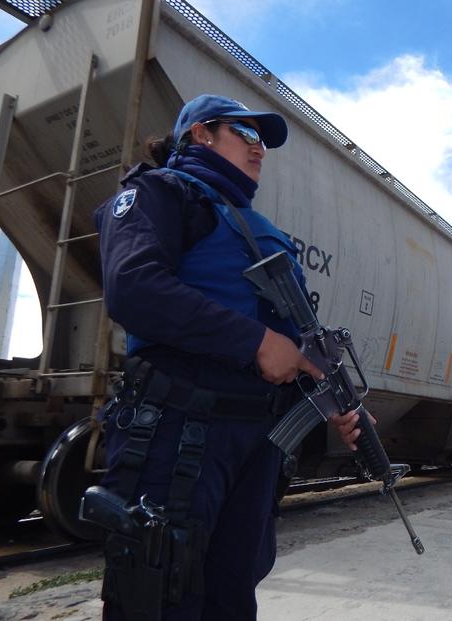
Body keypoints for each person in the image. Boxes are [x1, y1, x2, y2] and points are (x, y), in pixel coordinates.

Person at [93, 94, 365, 620]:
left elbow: (295, 346)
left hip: (253, 446)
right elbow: (133, 289)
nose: (260, 149)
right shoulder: (160, 193)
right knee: (161, 589)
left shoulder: (257, 229)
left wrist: (336, 402)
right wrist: (257, 343)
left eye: (263, 141)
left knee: (232, 593)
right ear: (201, 134)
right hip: (178, 432)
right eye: (248, 134)